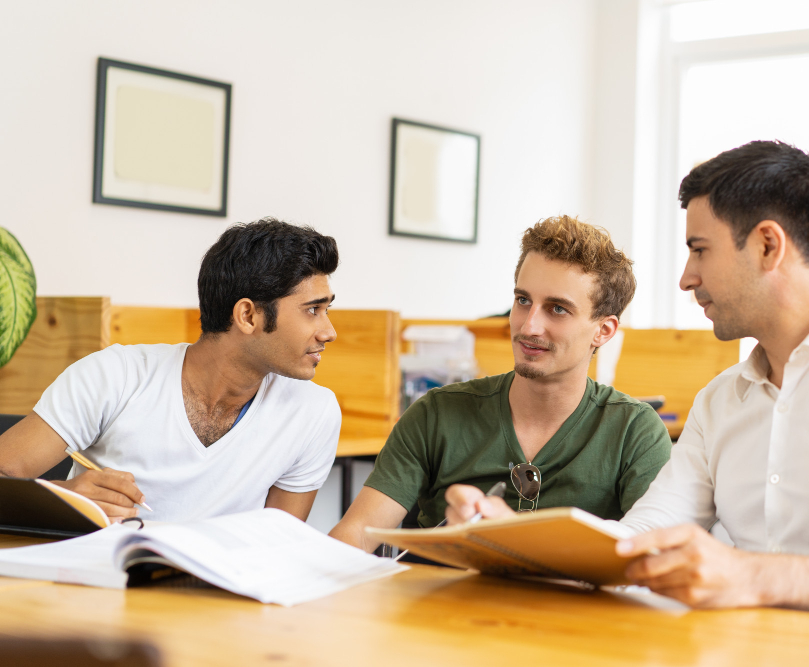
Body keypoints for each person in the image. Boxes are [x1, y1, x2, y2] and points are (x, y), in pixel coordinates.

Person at [453, 142, 809, 629]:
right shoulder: (721, 399)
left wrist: (749, 575)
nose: (687, 277)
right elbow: (645, 535)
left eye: (699, 249)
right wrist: (519, 543)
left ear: (767, 246)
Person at [330, 216, 671, 552]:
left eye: (557, 309)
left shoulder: (634, 431)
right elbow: (358, 533)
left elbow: (652, 560)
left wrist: (513, 535)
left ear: (604, 330)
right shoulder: (436, 415)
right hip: (440, 606)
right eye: (523, 301)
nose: (529, 326)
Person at [0, 218, 342, 523]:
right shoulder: (115, 376)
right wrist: (67, 496)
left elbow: (278, 544)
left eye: (326, 309)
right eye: (312, 310)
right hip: (100, 580)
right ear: (248, 316)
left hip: (219, 590)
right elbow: (6, 470)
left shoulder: (314, 412)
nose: (329, 331)